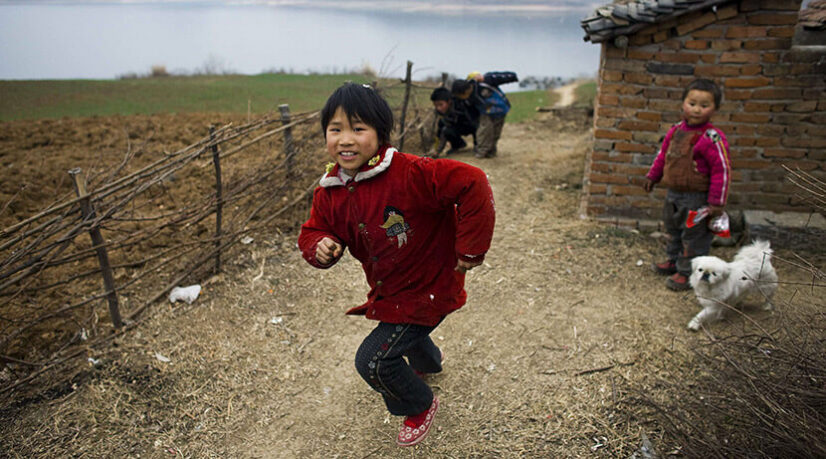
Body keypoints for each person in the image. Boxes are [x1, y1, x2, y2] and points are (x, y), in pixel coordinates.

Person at [298, 83, 496, 447]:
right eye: (336, 129)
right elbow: (315, 229)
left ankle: (419, 403)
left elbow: (474, 182)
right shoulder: (330, 191)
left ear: (380, 134)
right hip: (391, 291)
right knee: (401, 329)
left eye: (359, 129)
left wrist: (469, 250)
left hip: (431, 286)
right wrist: (320, 246)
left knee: (373, 361)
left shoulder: (410, 174)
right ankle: (429, 362)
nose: (346, 139)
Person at [643, 78, 731, 291]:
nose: (697, 110)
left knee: (694, 236)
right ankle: (673, 260)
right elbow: (663, 156)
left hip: (697, 198)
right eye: (692, 104)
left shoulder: (712, 138)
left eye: (704, 105)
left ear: (715, 109)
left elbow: (722, 171)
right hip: (674, 193)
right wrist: (652, 177)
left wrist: (716, 203)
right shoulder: (675, 131)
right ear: (683, 103)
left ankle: (687, 272)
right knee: (673, 229)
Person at [451, 70, 518, 159]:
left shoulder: (484, 82)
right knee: (484, 131)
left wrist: (512, 77)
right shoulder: (467, 100)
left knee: (496, 133)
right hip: (485, 114)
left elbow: (507, 76)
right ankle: (482, 152)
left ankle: (491, 151)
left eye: (460, 96)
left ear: (464, 92)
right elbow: (471, 113)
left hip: (501, 110)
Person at [429, 86, 478, 156]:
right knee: (445, 130)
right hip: (459, 127)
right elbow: (440, 133)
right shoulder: (441, 114)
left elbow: (475, 123)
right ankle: (458, 145)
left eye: (440, 104)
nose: (438, 108)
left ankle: (478, 145)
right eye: (435, 105)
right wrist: (437, 151)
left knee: (476, 126)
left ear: (449, 102)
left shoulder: (462, 106)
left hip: (471, 124)